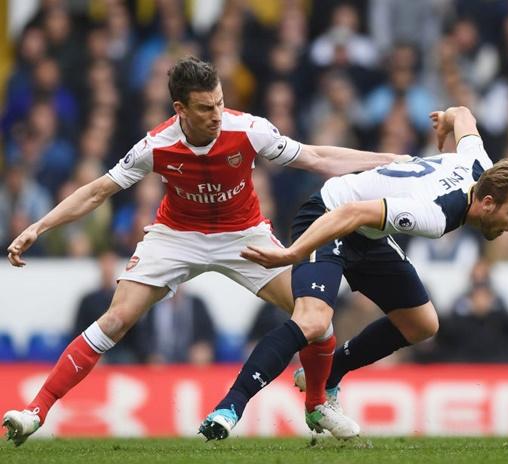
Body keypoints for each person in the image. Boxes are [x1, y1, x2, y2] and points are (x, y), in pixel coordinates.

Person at [2, 56, 406, 447]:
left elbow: (317, 157)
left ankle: (317, 404)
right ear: (180, 108)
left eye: (220, 102)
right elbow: (96, 192)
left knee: (316, 317)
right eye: (205, 108)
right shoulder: (156, 146)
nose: (216, 114)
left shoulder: (249, 130)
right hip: (176, 235)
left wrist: (388, 161)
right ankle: (35, 412)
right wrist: (39, 226)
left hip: (243, 233)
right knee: (115, 319)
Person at [198, 106, 508, 440]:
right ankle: (230, 408)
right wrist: (294, 252)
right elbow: (350, 213)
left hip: (366, 231)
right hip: (328, 216)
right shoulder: (434, 214)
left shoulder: (480, 162)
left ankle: (328, 375)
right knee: (314, 321)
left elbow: (464, 115)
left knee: (422, 323)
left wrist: (445, 121)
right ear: (487, 203)